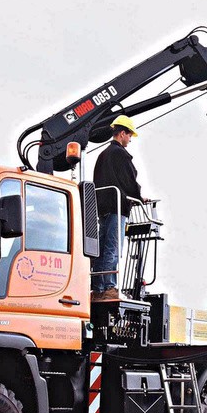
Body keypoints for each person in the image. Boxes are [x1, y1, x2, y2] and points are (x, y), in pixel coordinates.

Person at [91, 115, 144, 301]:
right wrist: (139, 197)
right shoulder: (120, 154)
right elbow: (129, 180)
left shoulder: (103, 155)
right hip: (117, 208)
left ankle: (97, 290)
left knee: (101, 250)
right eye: (129, 136)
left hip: (102, 208)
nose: (130, 140)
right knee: (113, 249)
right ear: (122, 133)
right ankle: (110, 288)